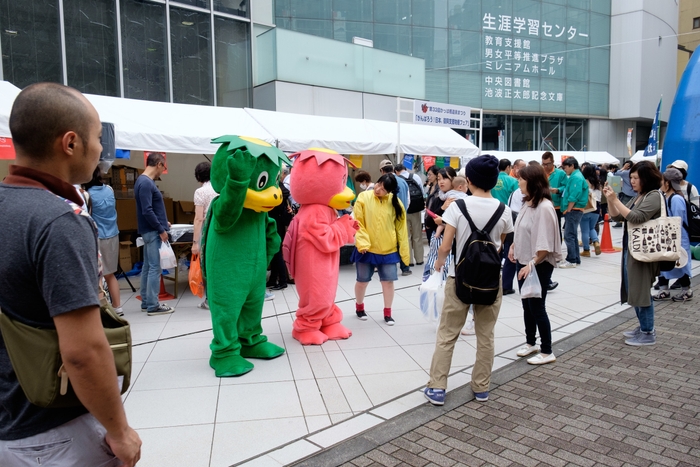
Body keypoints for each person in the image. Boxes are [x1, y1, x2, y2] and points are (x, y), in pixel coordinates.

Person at [0, 82, 141, 466]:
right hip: (53, 431)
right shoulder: (59, 222)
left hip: (10, 418)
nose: (99, 150)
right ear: (70, 143)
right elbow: (82, 351)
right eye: (97, 139)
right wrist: (119, 430)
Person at [424, 155, 513, 406]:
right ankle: (481, 388)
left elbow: (447, 245)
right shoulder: (504, 210)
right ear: (495, 182)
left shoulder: (457, 207)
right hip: (490, 281)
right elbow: (500, 245)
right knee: (486, 336)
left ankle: (438, 387)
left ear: (469, 180)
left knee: (447, 334)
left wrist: (440, 262)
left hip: (459, 278)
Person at [604, 161, 663, 346]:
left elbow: (636, 218)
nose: (632, 181)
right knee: (633, 288)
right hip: (633, 248)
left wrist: (615, 200)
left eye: (636, 178)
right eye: (631, 177)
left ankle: (648, 331)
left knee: (641, 290)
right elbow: (618, 216)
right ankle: (643, 327)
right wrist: (611, 200)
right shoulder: (641, 196)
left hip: (644, 250)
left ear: (647, 178)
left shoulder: (653, 196)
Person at [509, 165, 562, 365]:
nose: (518, 182)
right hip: (525, 261)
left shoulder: (544, 207)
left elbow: (544, 245)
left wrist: (531, 263)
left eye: (521, 179)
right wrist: (514, 245)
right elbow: (522, 229)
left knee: (537, 306)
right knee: (526, 304)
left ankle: (547, 350)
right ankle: (531, 342)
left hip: (537, 264)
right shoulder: (528, 203)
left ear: (531, 181)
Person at [353, 174, 410, 326]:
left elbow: (401, 230)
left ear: (390, 191)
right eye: (378, 184)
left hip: (388, 250)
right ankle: (359, 307)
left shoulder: (396, 203)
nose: (378, 189)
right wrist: (363, 242)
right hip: (366, 248)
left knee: (388, 283)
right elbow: (358, 221)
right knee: (362, 281)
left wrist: (404, 254)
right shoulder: (364, 197)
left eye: (383, 189)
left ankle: (388, 313)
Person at [134, 152, 175, 316]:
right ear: (158, 164)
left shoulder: (142, 181)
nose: (162, 172)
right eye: (163, 167)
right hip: (152, 231)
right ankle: (152, 304)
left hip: (149, 230)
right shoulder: (146, 183)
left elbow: (149, 209)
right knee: (154, 269)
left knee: (147, 267)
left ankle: (146, 301)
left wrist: (164, 222)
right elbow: (147, 210)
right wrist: (161, 229)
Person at [84, 167, 123, 316]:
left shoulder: (88, 195)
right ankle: (118, 307)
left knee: (97, 275)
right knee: (110, 274)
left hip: (97, 236)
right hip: (113, 234)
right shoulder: (110, 189)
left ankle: (103, 309)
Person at [653, 168, 693, 302]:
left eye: (662, 181)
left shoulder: (676, 199)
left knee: (680, 264)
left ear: (668, 183)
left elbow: (677, 221)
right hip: (670, 238)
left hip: (678, 238)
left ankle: (687, 290)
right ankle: (664, 289)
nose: (660, 183)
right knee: (664, 263)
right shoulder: (668, 197)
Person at [192, 161, 218, 308]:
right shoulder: (220, 188)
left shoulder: (200, 192)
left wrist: (195, 242)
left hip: (207, 232)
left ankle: (209, 300)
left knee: (207, 265)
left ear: (198, 177)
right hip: (220, 231)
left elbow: (199, 218)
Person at [379, 160, 412, 276]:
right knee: (403, 241)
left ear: (382, 171)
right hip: (401, 216)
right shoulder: (403, 181)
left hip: (388, 218)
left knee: (389, 241)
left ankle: (387, 265)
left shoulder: (383, 183)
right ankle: (405, 268)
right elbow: (408, 200)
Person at [559, 157, 589, 268]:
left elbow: (574, 195)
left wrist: (569, 209)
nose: (564, 169)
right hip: (574, 209)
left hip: (574, 209)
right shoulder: (575, 176)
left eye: (565, 167)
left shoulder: (576, 177)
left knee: (569, 235)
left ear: (572, 165)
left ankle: (571, 259)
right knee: (572, 234)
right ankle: (575, 258)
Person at [267, 169, 293, 291]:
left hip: (275, 223)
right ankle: (273, 279)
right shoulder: (281, 189)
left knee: (276, 252)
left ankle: (282, 280)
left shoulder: (276, 190)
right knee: (275, 252)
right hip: (279, 223)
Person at [396, 163, 425, 267]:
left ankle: (409, 261)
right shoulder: (415, 176)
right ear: (405, 169)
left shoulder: (397, 179)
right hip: (416, 210)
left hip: (403, 210)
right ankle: (419, 259)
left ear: (396, 171)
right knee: (417, 235)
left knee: (406, 236)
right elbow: (421, 191)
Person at [542, 151, 567, 239]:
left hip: (556, 205)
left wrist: (558, 190)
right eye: (543, 164)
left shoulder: (561, 173)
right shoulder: (541, 173)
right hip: (542, 204)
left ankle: (557, 248)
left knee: (556, 228)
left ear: (553, 162)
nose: (545, 166)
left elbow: (566, 187)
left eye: (547, 164)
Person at [580, 164, 602, 257]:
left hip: (586, 208)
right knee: (592, 228)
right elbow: (599, 197)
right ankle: (596, 241)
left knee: (584, 230)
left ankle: (586, 250)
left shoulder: (583, 181)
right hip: (596, 208)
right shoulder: (598, 182)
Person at [613, 161, 636, 227]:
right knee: (633, 207)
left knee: (622, 207)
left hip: (627, 192)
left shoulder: (626, 172)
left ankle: (620, 222)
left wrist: (623, 168)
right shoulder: (636, 172)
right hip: (635, 193)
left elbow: (616, 173)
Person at [423, 165, 441, 244]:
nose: (428, 177)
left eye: (430, 174)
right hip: (428, 216)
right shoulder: (431, 187)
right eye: (428, 175)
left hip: (435, 218)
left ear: (436, 175)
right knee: (430, 240)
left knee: (434, 242)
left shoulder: (440, 188)